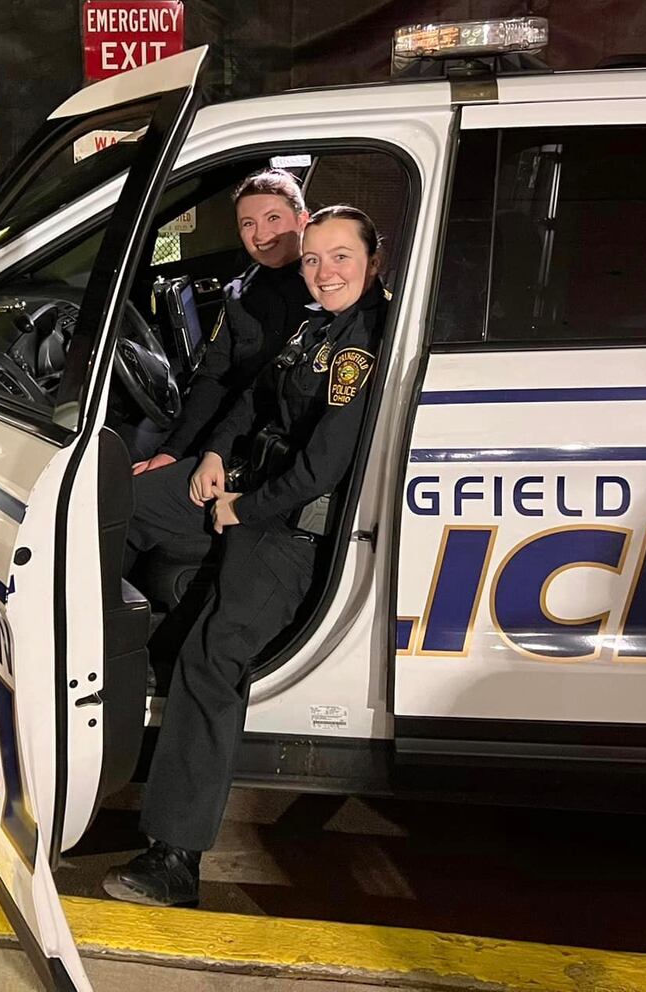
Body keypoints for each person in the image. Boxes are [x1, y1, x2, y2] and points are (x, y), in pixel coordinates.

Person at [105, 205, 390, 907]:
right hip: (245, 486)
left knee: (212, 656)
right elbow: (253, 398)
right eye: (314, 259)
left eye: (341, 258)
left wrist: (242, 507)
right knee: (124, 503)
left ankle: (174, 857)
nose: (324, 273)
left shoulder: (361, 344)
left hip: (288, 529)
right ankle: (89, 653)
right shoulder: (311, 324)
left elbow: (323, 467)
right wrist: (211, 454)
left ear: (373, 261)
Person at [131, 168, 313, 476]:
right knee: (126, 447)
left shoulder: (325, 289)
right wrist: (173, 451)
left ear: (302, 220)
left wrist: (212, 451)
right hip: (225, 426)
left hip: (267, 449)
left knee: (135, 495)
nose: (260, 234)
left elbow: (273, 395)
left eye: (273, 219)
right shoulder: (239, 290)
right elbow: (214, 376)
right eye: (248, 223)